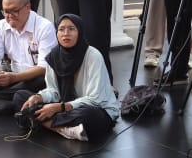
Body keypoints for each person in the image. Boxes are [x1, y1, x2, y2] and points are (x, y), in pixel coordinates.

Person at [16, 14, 119, 142]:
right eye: (61, 29)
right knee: (21, 97)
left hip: (93, 108)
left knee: (91, 116)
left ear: (80, 32)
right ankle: (68, 130)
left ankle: (41, 123)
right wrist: (39, 97)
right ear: (57, 33)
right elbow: (53, 91)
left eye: (71, 29)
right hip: (64, 107)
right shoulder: (54, 56)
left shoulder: (93, 56)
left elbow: (95, 100)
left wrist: (59, 107)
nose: (66, 33)